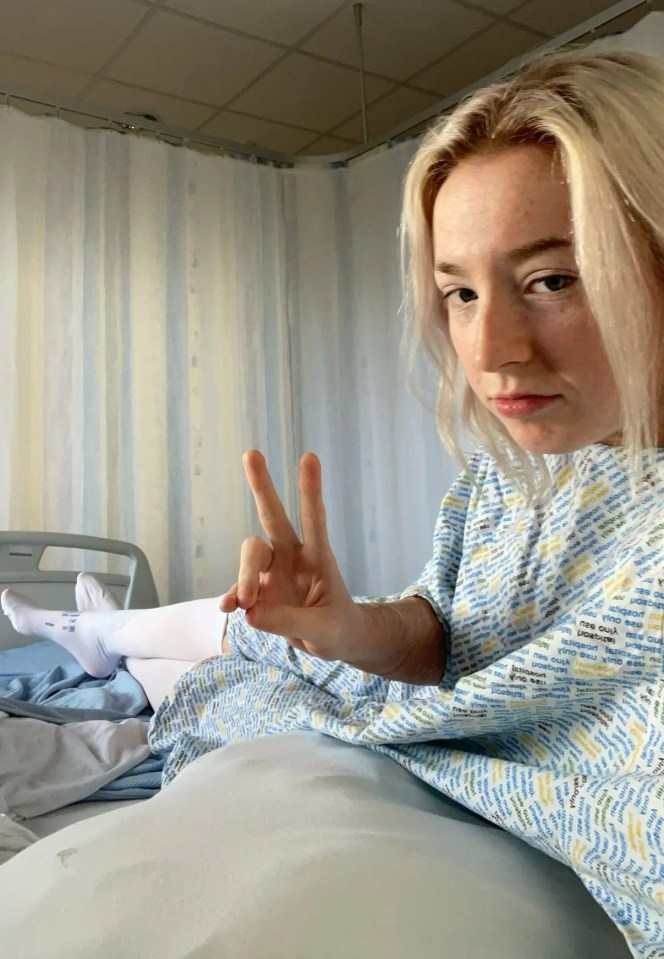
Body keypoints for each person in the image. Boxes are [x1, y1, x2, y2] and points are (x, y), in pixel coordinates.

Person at [2, 46, 664, 955]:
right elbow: (449, 632)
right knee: (266, 646)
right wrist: (348, 624)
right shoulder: (509, 478)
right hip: (411, 711)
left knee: (240, 666)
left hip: (451, 781)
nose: (492, 346)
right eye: (459, 293)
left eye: (553, 279)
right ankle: (105, 635)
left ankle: (106, 636)